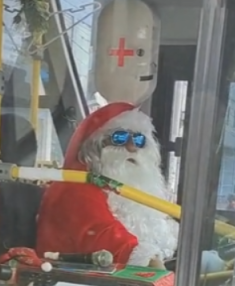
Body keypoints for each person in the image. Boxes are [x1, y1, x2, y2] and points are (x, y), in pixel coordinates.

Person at [36, 102, 179, 267]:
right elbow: (108, 240)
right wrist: (154, 265)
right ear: (94, 148)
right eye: (120, 137)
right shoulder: (75, 187)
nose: (132, 147)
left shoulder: (129, 192)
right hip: (70, 278)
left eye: (139, 140)